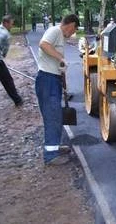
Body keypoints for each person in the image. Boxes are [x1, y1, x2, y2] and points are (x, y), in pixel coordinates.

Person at [35, 14, 80, 165]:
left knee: (56, 116)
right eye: (74, 29)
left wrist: (64, 83)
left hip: (53, 80)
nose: (72, 34)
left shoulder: (61, 37)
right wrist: (60, 58)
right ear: (71, 24)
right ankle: (51, 156)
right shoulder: (55, 31)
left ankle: (55, 146)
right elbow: (43, 44)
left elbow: (60, 65)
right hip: (47, 80)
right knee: (52, 116)